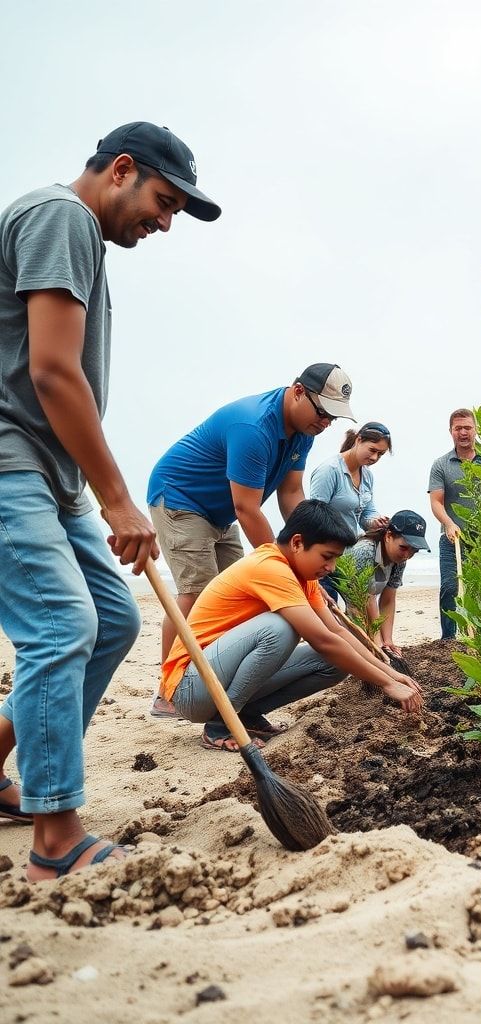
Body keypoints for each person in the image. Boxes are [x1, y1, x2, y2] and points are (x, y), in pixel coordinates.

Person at [0, 121, 220, 879]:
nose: (165, 223)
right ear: (121, 169)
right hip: (9, 462)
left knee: (114, 618)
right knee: (61, 623)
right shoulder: (60, 217)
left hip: (48, 473)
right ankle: (57, 838)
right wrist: (119, 498)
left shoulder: (83, 239)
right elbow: (56, 374)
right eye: (163, 202)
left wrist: (89, 490)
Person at [147, 362, 355, 702]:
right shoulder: (254, 427)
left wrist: (307, 553)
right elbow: (248, 508)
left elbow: (291, 495)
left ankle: (214, 677)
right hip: (181, 499)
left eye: (333, 417)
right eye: (323, 412)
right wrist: (289, 567)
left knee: (241, 595)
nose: (326, 423)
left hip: (222, 511)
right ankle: (168, 687)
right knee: (196, 590)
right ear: (298, 391)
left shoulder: (304, 433)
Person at [158, 500, 422, 752]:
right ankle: (222, 723)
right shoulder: (270, 567)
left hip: (219, 678)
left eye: (336, 559)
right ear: (297, 543)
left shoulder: (304, 577)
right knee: (280, 628)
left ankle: (247, 714)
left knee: (336, 662)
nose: (331, 567)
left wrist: (389, 672)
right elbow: (323, 640)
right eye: (327, 556)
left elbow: (337, 632)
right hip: (191, 687)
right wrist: (387, 685)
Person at [309, 421, 392, 599]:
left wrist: (376, 522)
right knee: (328, 609)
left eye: (381, 454)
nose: (375, 458)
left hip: (349, 556)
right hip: (325, 555)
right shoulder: (329, 470)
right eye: (372, 450)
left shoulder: (367, 475)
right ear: (358, 440)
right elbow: (314, 517)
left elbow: (367, 513)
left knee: (357, 609)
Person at [337, 511, 430, 657]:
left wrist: (387, 641)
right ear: (388, 536)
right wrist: (377, 643)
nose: (407, 555)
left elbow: (388, 599)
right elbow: (366, 599)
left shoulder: (400, 561)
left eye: (414, 551)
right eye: (403, 547)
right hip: (332, 585)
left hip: (361, 598)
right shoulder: (365, 550)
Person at [428, 408, 481, 639]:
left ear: (476, 430)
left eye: (467, 428)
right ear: (450, 431)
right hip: (453, 539)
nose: (463, 432)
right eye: (458, 428)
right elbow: (436, 502)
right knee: (450, 589)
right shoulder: (441, 464)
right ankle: (448, 640)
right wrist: (449, 524)